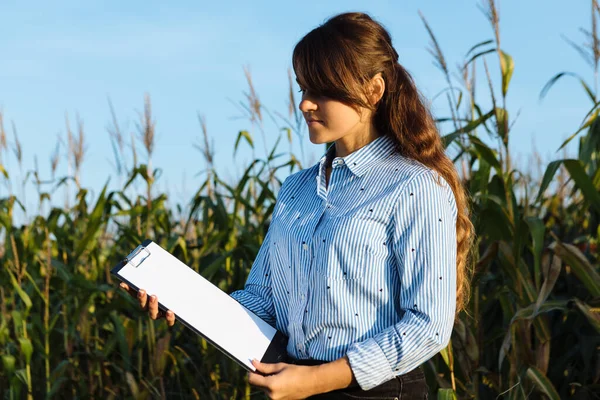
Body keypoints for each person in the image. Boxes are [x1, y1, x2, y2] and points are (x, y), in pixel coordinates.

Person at [120, 12, 474, 400]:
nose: (305, 104)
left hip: (376, 393)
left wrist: (317, 380)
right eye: (303, 87)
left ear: (373, 90)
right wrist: (184, 303)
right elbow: (261, 300)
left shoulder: (415, 187)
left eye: (321, 90)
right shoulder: (296, 190)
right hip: (290, 385)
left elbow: (429, 326)